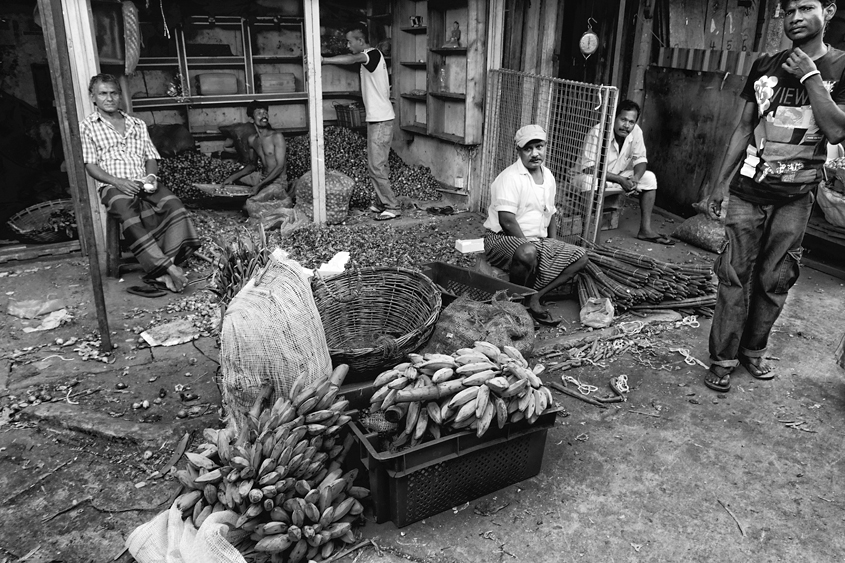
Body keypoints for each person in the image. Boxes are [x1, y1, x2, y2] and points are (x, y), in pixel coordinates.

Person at [704, 0, 845, 392]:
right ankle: (723, 357)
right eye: (788, 11)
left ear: (828, 11)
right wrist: (719, 184)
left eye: (805, 8)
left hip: (796, 196)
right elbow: (744, 126)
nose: (795, 18)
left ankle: (753, 350)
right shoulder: (764, 65)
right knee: (733, 274)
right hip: (749, 189)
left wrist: (811, 76)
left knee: (775, 278)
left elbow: (836, 130)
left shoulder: (840, 66)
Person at [80, 73, 200, 293]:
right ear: (93, 97)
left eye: (114, 93)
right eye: (103, 93)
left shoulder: (137, 124)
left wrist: (151, 177)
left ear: (120, 96)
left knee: (175, 207)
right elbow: (90, 166)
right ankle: (165, 269)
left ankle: (168, 262)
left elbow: (150, 157)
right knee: (128, 214)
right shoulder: (88, 126)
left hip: (143, 181)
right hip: (113, 184)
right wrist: (118, 182)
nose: (109, 98)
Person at [483, 124, 589, 327]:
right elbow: (507, 221)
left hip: (535, 242)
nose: (535, 154)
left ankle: (535, 296)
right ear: (519, 151)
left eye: (539, 147)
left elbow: (551, 214)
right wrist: (536, 248)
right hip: (502, 239)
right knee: (528, 252)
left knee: (581, 257)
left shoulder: (548, 176)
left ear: (545, 147)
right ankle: (516, 304)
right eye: (528, 149)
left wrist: (553, 245)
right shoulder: (510, 178)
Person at [323, 28, 401, 221]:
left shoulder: (371, 54)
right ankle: (382, 202)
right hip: (377, 118)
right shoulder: (371, 57)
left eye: (350, 42)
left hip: (381, 120)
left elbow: (351, 59)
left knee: (377, 165)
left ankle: (392, 206)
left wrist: (324, 60)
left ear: (360, 40)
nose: (348, 46)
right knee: (376, 164)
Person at [575, 99, 674, 245]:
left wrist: (635, 178)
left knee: (649, 178)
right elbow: (589, 168)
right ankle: (591, 238)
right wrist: (620, 180)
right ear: (614, 117)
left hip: (616, 177)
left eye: (631, 122)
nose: (626, 125)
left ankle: (645, 230)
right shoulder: (598, 131)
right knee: (589, 181)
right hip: (589, 178)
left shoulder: (636, 132)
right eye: (623, 119)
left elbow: (640, 159)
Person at [221, 101, 290, 200]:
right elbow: (252, 165)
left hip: (278, 181)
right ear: (251, 119)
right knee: (234, 181)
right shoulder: (252, 140)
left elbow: (280, 166)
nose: (264, 116)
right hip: (263, 178)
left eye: (265, 113)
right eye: (259, 113)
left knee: (248, 205)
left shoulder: (276, 137)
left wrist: (259, 186)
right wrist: (232, 178)